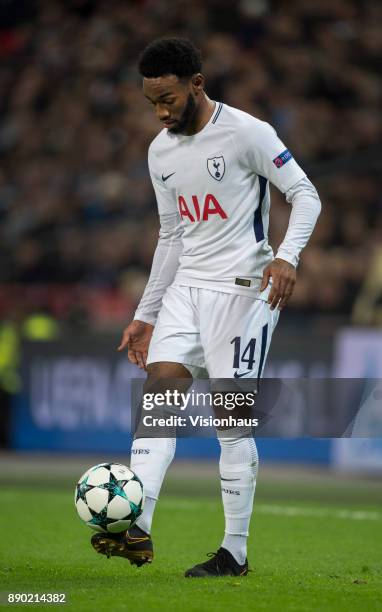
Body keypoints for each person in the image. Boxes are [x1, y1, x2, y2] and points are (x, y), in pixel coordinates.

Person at [91, 37, 321, 577]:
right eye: (152, 102)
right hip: (185, 291)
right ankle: (137, 529)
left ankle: (234, 551)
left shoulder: (247, 133)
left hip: (244, 293)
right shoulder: (160, 152)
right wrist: (146, 313)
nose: (161, 111)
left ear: (196, 83)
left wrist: (287, 257)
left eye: (168, 97)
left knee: (231, 421)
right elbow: (171, 236)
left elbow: (305, 194)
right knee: (160, 392)